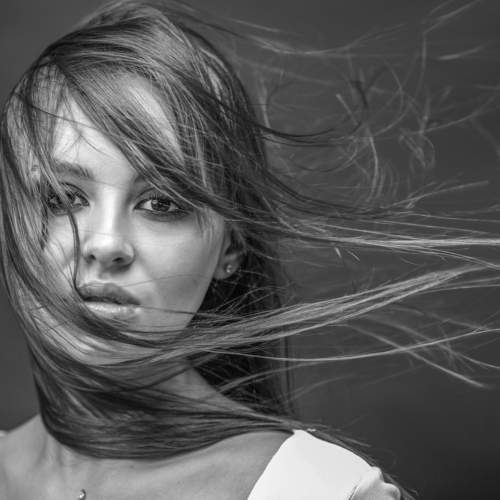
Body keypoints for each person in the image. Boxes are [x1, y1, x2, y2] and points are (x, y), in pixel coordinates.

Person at [0, 0, 495, 499]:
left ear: (230, 247)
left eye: (162, 203)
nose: (106, 243)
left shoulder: (314, 491)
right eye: (61, 198)